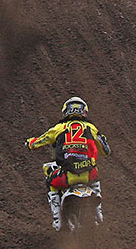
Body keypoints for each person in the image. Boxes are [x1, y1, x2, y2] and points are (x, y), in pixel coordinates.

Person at [26, 96, 112, 230]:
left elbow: (39, 141)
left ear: (66, 111)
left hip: (66, 176)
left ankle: (58, 220)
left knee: (50, 181)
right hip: (88, 175)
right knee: (95, 173)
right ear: (84, 111)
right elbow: (106, 151)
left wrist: (30, 143)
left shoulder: (59, 128)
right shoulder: (91, 128)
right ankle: (99, 213)